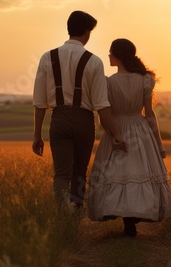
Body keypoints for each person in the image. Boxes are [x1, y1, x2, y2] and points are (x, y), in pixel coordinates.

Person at [32, 11, 126, 210]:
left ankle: (61, 218)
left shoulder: (47, 58)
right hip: (84, 120)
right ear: (86, 31)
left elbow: (40, 102)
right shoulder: (94, 61)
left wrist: (37, 135)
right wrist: (116, 133)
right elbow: (101, 104)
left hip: (59, 119)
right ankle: (75, 214)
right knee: (79, 173)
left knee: (61, 174)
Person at [87, 38, 171, 237]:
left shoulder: (107, 82)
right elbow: (150, 114)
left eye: (111, 52)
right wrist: (159, 144)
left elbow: (105, 114)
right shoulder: (145, 79)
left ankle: (127, 217)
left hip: (117, 127)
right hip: (140, 128)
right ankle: (134, 214)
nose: (108, 55)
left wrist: (112, 134)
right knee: (139, 171)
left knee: (119, 172)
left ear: (118, 56)